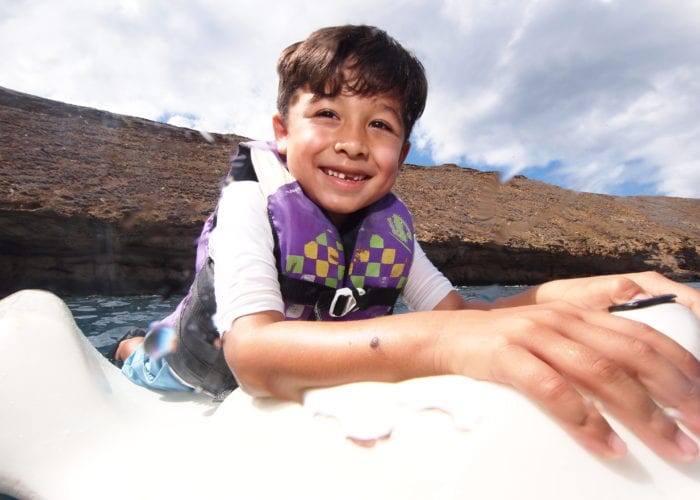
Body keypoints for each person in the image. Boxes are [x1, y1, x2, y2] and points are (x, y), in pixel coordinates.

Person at [113, 24, 700, 463]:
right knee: (148, 361)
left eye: (380, 124)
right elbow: (254, 357)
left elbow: (465, 316)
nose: (352, 142)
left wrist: (599, 289)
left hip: (313, 343)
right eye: (327, 113)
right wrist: (445, 347)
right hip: (196, 358)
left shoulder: (390, 230)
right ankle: (128, 347)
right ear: (282, 131)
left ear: (404, 151)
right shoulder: (250, 198)